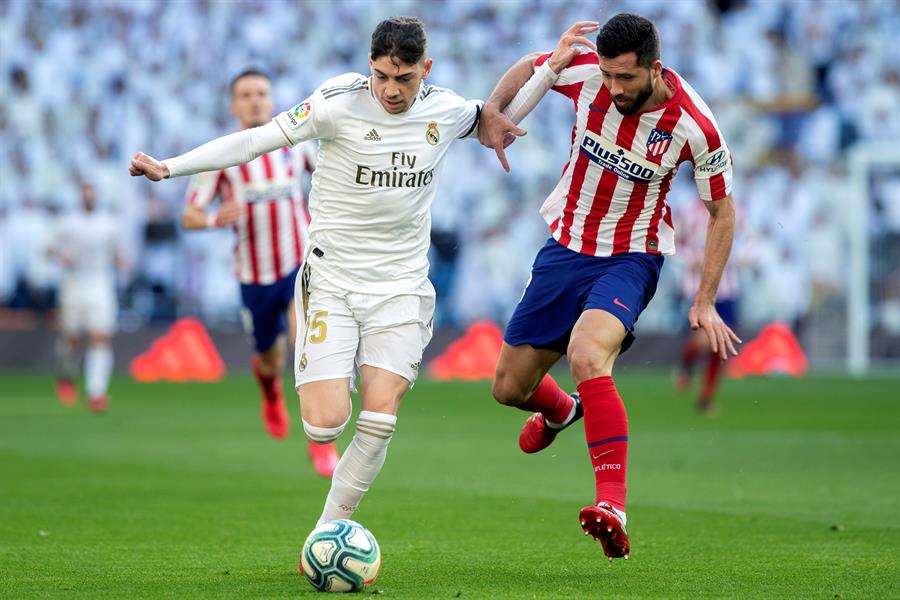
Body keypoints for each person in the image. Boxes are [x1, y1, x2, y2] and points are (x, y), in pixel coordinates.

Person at [130, 17, 482, 536]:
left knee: (380, 418)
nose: (391, 89)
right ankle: (304, 385)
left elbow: (491, 114)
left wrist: (544, 71)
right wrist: (170, 166)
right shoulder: (335, 103)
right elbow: (253, 143)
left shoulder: (447, 110)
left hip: (400, 286)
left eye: (403, 79)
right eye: (382, 75)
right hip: (321, 278)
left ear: (424, 70)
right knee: (323, 425)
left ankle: (327, 529)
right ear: (370, 65)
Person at [478, 15, 742, 560]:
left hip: (631, 256)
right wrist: (493, 112)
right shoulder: (586, 74)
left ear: (655, 68)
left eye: (626, 78)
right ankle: (560, 411)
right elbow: (530, 64)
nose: (614, 88)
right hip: (565, 246)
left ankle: (613, 507)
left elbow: (721, 212)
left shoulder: (696, 126)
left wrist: (705, 298)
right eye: (608, 76)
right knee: (507, 388)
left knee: (587, 353)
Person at [179, 68, 339, 477]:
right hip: (254, 275)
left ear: (270, 100)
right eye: (245, 94)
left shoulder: (294, 145)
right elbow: (190, 215)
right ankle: (269, 390)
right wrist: (216, 219)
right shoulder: (222, 156)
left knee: (307, 344)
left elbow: (327, 178)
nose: (254, 100)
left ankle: (323, 441)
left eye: (261, 93)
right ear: (234, 105)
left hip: (299, 265)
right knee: (270, 358)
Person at [48, 182, 123, 412]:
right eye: (85, 193)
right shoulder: (68, 222)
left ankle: (96, 392)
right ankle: (66, 376)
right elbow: (46, 247)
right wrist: (62, 256)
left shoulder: (108, 224)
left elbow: (116, 253)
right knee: (72, 337)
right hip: (75, 281)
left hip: (99, 281)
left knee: (100, 336)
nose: (89, 198)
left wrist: (120, 261)